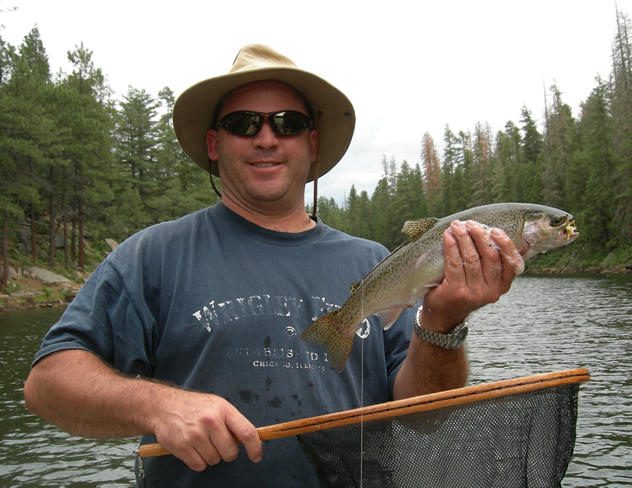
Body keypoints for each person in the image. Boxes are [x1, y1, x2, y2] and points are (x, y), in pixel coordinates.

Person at [23, 44, 523, 486]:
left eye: (288, 123)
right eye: (244, 124)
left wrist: (442, 322)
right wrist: (157, 405)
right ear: (216, 145)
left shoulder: (376, 263)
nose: (266, 138)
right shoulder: (154, 254)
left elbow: (422, 418)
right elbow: (48, 383)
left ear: (313, 143)